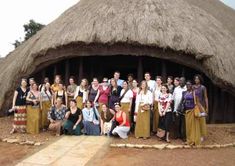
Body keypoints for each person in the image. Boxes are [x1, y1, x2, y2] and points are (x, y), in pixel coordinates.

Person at [184, 81, 201, 145]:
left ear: (191, 85)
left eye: (189, 85)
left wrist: (200, 111)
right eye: (187, 85)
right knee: (188, 126)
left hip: (192, 110)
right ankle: (189, 140)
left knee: (193, 126)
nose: (188, 86)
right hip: (187, 111)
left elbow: (197, 102)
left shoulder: (194, 93)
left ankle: (193, 140)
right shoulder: (186, 93)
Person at [193, 74, 208, 141]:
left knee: (202, 121)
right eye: (195, 79)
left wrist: (207, 107)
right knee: (195, 121)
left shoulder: (203, 87)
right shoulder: (192, 87)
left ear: (200, 80)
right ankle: (196, 134)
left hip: (201, 106)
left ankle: (202, 135)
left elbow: (205, 98)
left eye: (198, 79)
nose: (196, 80)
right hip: (194, 106)